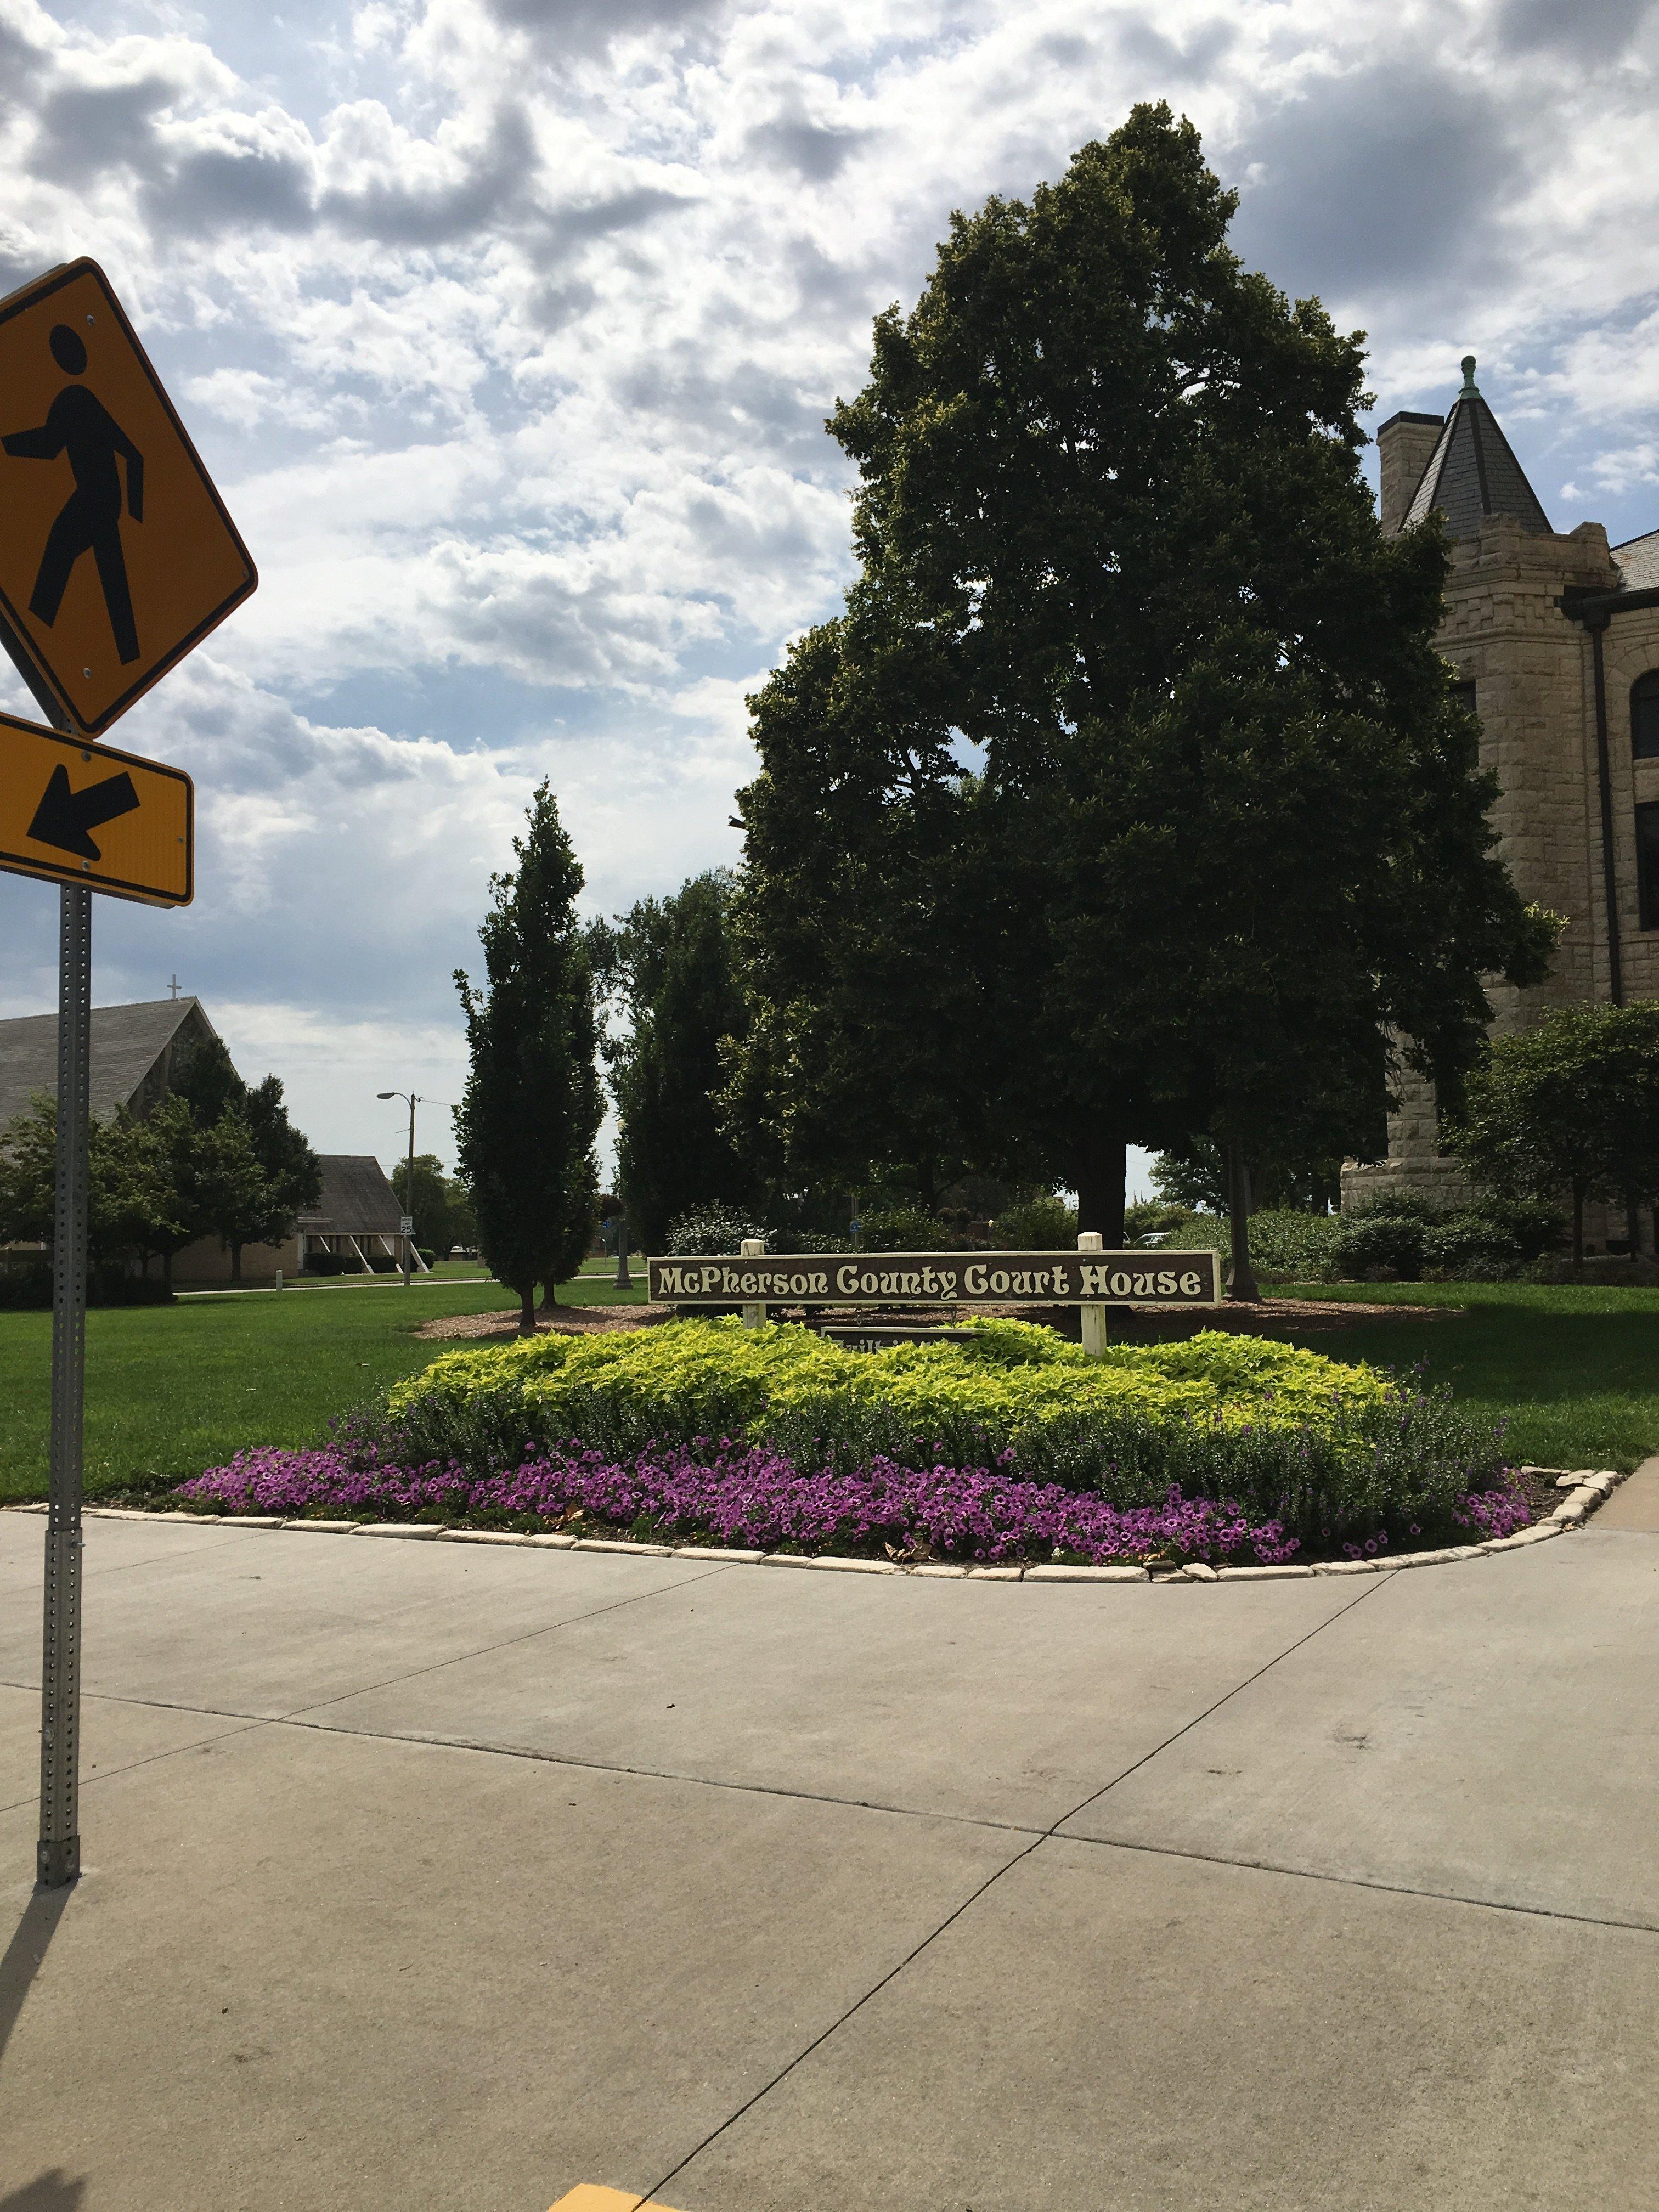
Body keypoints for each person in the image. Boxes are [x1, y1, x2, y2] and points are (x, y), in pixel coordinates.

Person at [3, 321, 144, 664]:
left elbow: (51, 445)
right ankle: (128, 653)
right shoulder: (83, 399)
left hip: (95, 499)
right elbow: (134, 456)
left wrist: (7, 445)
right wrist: (130, 509)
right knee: (107, 575)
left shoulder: (75, 399)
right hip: (103, 499)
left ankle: (44, 628)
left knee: (63, 554)